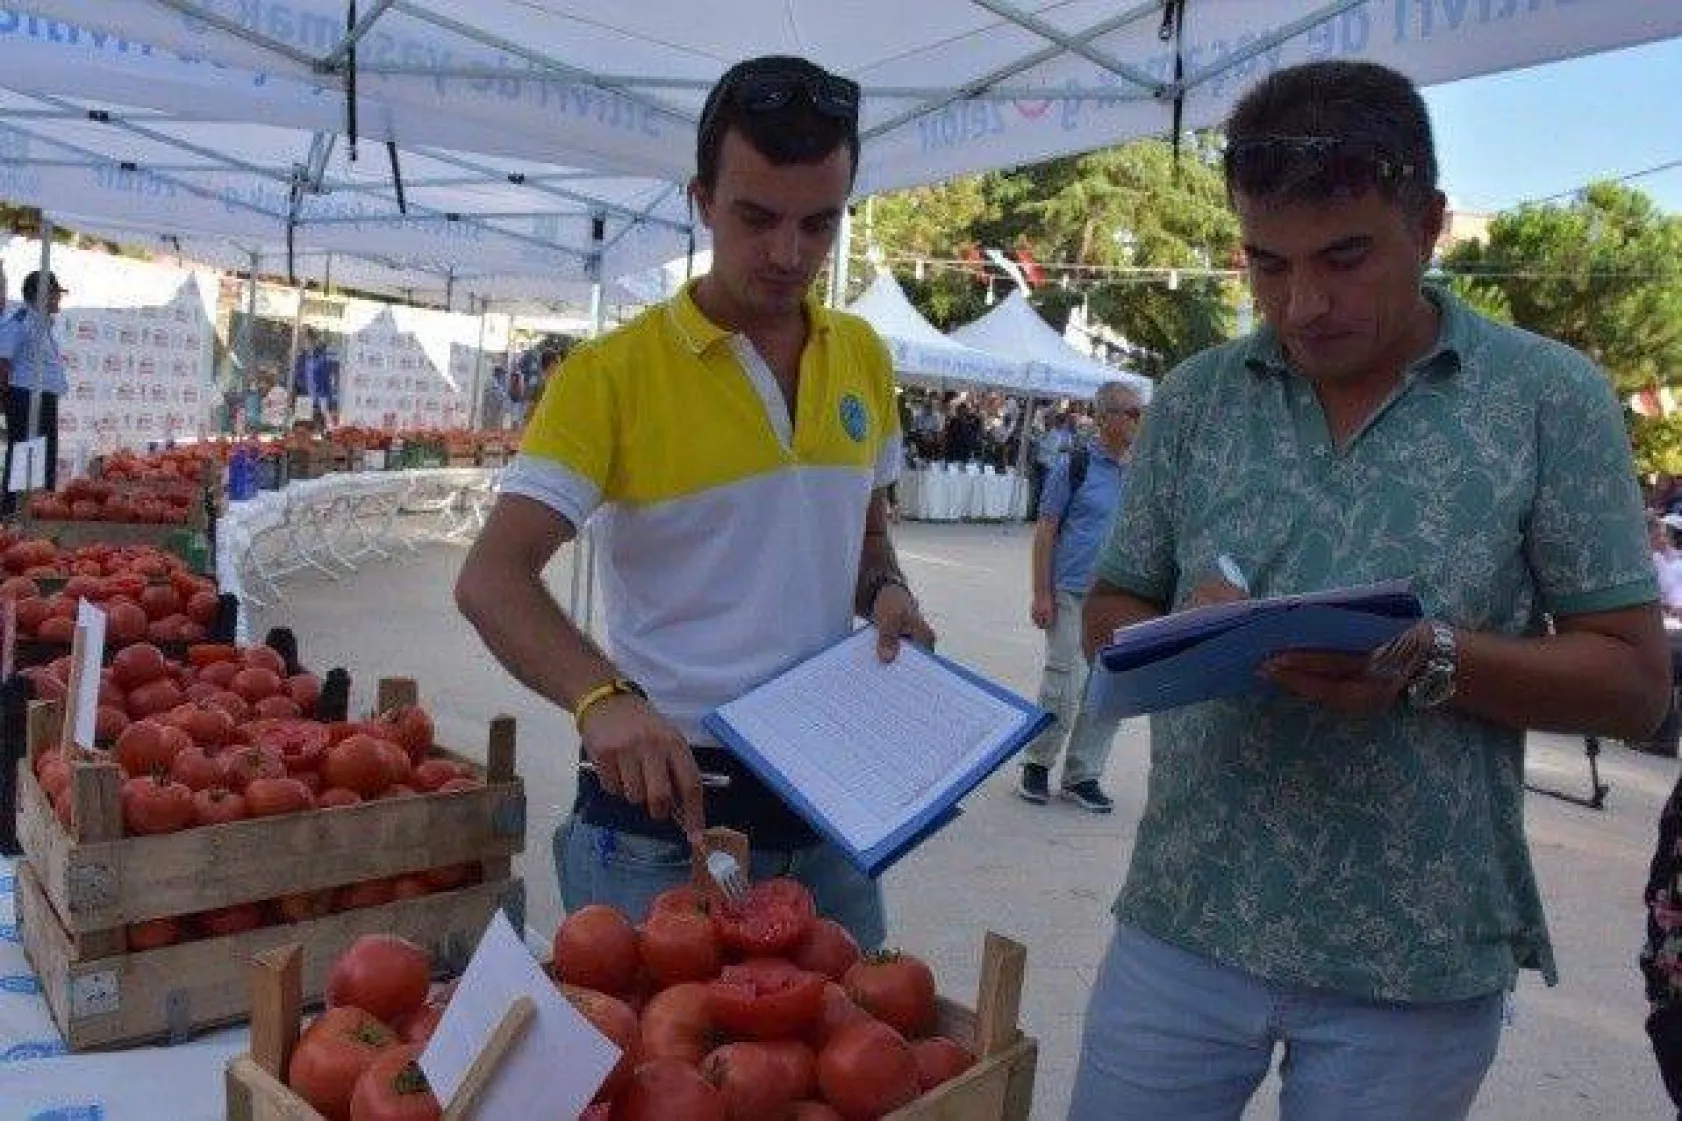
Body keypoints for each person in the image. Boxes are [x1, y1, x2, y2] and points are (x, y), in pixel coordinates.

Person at [1069, 60, 1669, 1120]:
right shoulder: (1198, 399)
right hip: (1186, 917)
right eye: (1265, 264)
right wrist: (1178, 634)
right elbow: (1108, 609)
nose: (1301, 304)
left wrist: (1432, 659)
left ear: (1428, 224)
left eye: (1343, 258)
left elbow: (1631, 682)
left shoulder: (1546, 399)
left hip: (1415, 956)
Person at [455, 54, 934, 948]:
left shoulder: (864, 353)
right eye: (757, 218)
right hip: (663, 823)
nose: (790, 254)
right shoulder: (612, 375)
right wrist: (601, 697)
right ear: (701, 200)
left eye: (819, 225)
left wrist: (887, 594)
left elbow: (866, 541)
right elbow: (492, 578)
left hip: (831, 807)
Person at [1018, 381, 1142, 813]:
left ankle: (1082, 774)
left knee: (1108, 686)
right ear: (1105, 417)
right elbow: (1047, 529)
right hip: (1070, 591)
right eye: (1131, 413)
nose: (1137, 421)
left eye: (1140, 413)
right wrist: (1041, 592)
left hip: (1120, 598)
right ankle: (1036, 764)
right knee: (1063, 682)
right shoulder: (1075, 465)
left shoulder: (1142, 471)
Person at [0, 270, 67, 512]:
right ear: (42, 295)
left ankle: (39, 510)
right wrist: (6, 396)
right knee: (23, 456)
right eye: (55, 294)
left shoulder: (42, 323)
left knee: (44, 456)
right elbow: (2, 360)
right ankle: (12, 512)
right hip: (25, 396)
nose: (59, 299)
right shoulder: (20, 321)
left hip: (41, 397)